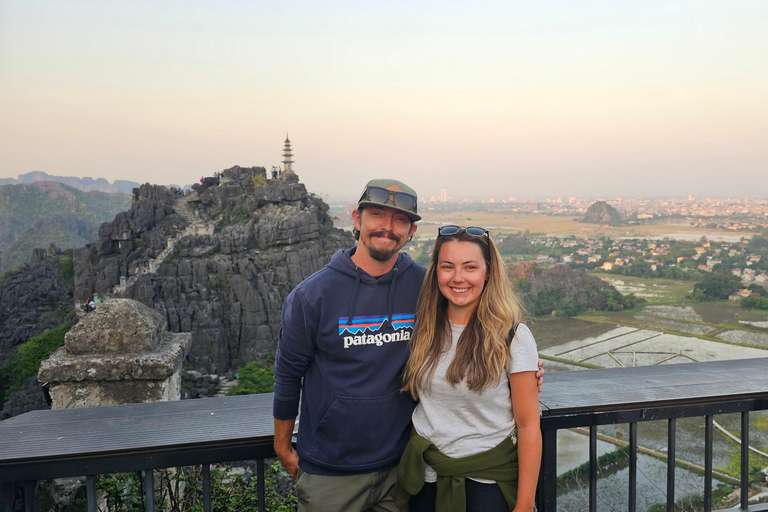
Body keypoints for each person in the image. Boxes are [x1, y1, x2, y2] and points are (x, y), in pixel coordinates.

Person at [273, 180, 544, 512]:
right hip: (334, 469)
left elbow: (479, 335)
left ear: (412, 230)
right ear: (356, 219)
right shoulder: (312, 296)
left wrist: (524, 367)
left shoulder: (422, 286)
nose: (387, 227)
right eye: (377, 215)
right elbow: (287, 375)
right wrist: (283, 446)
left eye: (399, 219)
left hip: (400, 468)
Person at [397, 226, 541, 512]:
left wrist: (524, 505)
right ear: (435, 271)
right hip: (426, 480)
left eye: (470, 267)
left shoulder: (512, 336)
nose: (458, 278)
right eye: (447, 266)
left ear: (488, 272)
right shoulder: (424, 329)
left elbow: (528, 426)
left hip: (487, 484)